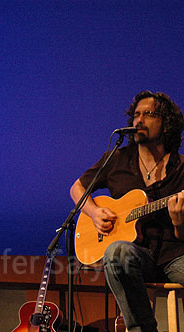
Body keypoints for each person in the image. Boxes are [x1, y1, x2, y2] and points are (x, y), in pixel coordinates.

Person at [70, 91, 184, 332]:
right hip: (137, 255)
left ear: (166, 124)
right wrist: (94, 213)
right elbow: (77, 188)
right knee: (116, 252)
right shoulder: (117, 159)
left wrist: (178, 223)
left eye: (148, 114)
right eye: (136, 115)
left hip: (176, 254)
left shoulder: (181, 168)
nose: (138, 121)